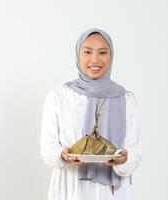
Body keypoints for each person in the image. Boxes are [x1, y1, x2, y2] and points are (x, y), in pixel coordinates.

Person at [40, 28, 142, 200]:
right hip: (71, 188)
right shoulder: (60, 96)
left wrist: (123, 160)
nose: (95, 59)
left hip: (112, 193)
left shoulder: (127, 99)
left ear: (111, 56)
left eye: (102, 52)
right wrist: (63, 155)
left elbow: (135, 151)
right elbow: (47, 148)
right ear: (78, 55)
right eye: (87, 52)